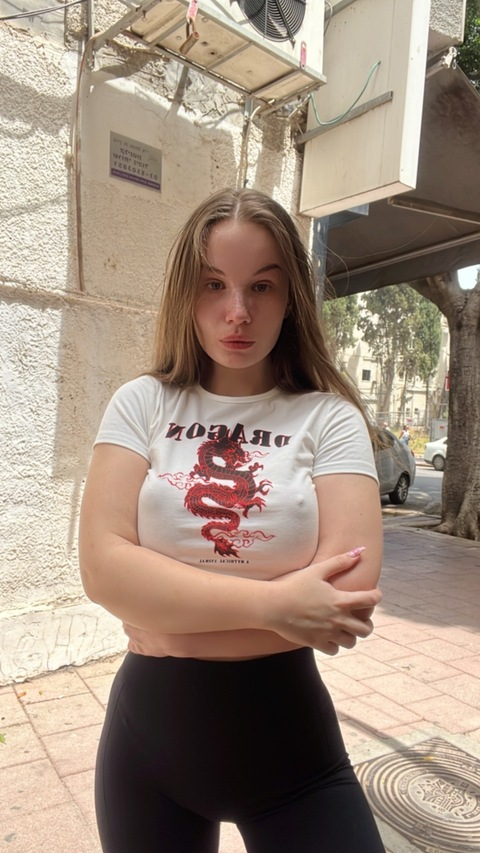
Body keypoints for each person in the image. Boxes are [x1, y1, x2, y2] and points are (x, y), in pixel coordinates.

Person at [79, 187, 385, 853]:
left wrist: (168, 614)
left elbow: (342, 603)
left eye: (262, 287)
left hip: (294, 757)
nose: (237, 311)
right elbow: (103, 569)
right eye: (214, 284)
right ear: (186, 294)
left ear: (292, 297)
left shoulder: (329, 418)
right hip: (147, 756)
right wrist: (278, 605)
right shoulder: (141, 404)